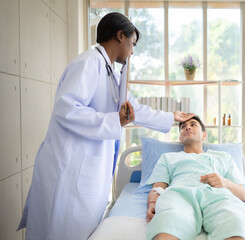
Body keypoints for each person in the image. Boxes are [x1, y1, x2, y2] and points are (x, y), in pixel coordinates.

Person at [18, 12, 194, 240]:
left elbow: (133, 109)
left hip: (87, 171)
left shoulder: (111, 74)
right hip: (69, 170)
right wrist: (114, 121)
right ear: (120, 36)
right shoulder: (88, 63)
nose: (132, 51)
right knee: (61, 231)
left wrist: (172, 116)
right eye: (132, 43)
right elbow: (67, 109)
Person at [145, 116, 245, 240]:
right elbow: (157, 187)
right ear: (180, 138)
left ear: (204, 135)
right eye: (183, 127)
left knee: (234, 225)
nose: (188, 127)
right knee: (167, 226)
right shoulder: (168, 158)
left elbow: (242, 194)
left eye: (193, 124)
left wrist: (225, 183)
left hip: (219, 197)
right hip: (179, 195)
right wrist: (152, 203)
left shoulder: (224, 157)